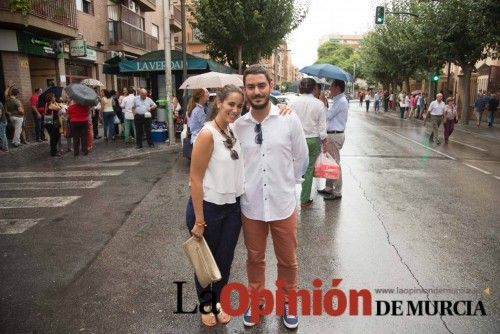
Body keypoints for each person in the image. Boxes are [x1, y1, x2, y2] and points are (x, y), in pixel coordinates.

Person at [234, 64, 308, 329]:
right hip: (251, 205)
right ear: (245, 91)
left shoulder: (289, 119)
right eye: (251, 87)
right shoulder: (238, 126)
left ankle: (288, 303)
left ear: (271, 87)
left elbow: (301, 159)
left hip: (283, 204)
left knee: (288, 260)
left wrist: (289, 185)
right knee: (255, 258)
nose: (257, 91)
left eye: (261, 86)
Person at [186, 84, 244, 327]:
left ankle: (218, 302)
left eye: (239, 106)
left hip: (232, 208)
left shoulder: (231, 130)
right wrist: (199, 220)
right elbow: (195, 179)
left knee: (224, 262)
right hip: (208, 209)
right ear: (219, 102)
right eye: (231, 104)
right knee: (205, 263)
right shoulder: (207, 134)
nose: (235, 109)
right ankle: (206, 305)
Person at [289, 77, 327, 208]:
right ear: (314, 88)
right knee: (309, 169)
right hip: (313, 139)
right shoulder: (319, 104)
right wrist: (325, 142)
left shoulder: (293, 103)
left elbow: (289, 122)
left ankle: (288, 198)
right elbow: (322, 128)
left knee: (292, 167)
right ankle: (304, 199)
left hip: (296, 139)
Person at [318, 79, 349, 200]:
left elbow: (328, 116)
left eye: (331, 86)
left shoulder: (341, 101)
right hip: (333, 134)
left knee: (335, 163)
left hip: (335, 135)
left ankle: (337, 191)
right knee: (331, 162)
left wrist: (323, 104)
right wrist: (325, 103)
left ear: (337, 87)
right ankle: (329, 188)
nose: (330, 89)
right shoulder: (338, 100)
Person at [4, 81, 24, 147]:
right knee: (17, 130)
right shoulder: (17, 101)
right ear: (17, 94)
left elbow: (5, 93)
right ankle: (16, 143)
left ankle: (15, 141)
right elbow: (20, 111)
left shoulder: (8, 99)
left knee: (17, 129)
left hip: (11, 117)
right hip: (18, 117)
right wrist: (23, 112)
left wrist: (9, 87)